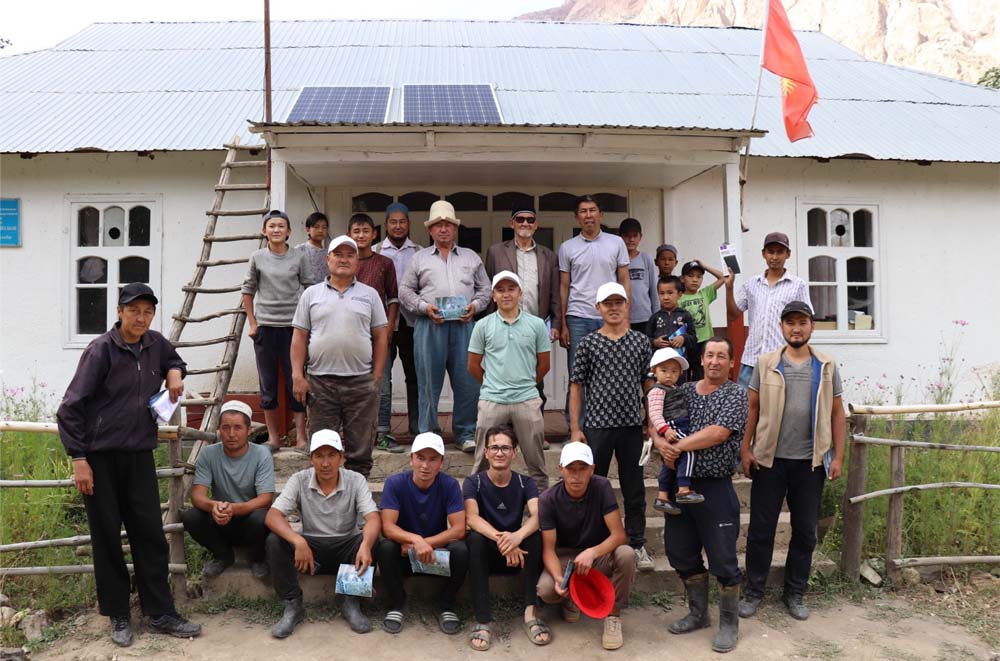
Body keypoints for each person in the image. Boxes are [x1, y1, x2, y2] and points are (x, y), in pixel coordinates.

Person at [57, 283, 201, 647]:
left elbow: (174, 360)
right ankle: (119, 614)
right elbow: (70, 408)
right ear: (119, 311)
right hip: (100, 459)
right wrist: (79, 459)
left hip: (138, 455)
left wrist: (174, 373)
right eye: (133, 310)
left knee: (150, 534)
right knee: (107, 537)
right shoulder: (100, 351)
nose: (141, 317)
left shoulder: (155, 344)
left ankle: (160, 612)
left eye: (147, 311)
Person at [739, 301, 846, 621]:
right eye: (790, 323)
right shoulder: (766, 363)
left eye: (802, 322)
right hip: (770, 462)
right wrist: (745, 449)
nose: (796, 328)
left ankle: (795, 592)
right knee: (761, 530)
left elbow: (837, 412)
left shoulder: (826, 365)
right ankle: (754, 590)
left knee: (805, 531)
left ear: (811, 326)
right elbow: (753, 409)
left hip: (810, 464)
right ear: (781, 327)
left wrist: (837, 456)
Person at [653, 337, 748, 654]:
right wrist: (660, 441)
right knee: (679, 551)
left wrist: (677, 446)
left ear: (731, 363)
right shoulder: (683, 390)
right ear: (702, 360)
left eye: (722, 356)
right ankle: (697, 613)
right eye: (710, 355)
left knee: (722, 556)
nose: (715, 361)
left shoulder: (735, 394)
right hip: (681, 487)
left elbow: (719, 433)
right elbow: (656, 417)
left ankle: (728, 624)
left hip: (714, 487)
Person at [568, 282, 654, 571]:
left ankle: (637, 544)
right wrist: (575, 429)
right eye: (608, 303)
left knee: (634, 488)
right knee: (595, 486)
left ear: (626, 305)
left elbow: (649, 384)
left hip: (632, 427)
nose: (614, 308)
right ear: (598, 308)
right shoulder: (588, 343)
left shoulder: (640, 342)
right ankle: (595, 543)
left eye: (619, 302)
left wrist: (651, 422)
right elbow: (576, 387)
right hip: (597, 427)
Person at [265, 429, 381, 638]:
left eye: (331, 455)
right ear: (311, 459)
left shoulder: (356, 480)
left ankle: (350, 599)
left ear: (341, 457)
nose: (325, 463)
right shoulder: (299, 479)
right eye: (319, 456)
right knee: (275, 540)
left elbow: (372, 517)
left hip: (346, 546)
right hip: (311, 550)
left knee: (373, 539)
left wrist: (365, 545)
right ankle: (293, 604)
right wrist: (297, 541)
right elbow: (272, 516)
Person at [290, 235, 389, 477]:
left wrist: (375, 376)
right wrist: (297, 376)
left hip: (360, 382)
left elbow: (381, 337)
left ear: (357, 261)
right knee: (323, 446)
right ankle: (322, 500)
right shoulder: (311, 294)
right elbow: (299, 338)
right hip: (321, 382)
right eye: (338, 254)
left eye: (349, 255)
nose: (344, 259)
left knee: (360, 448)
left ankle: (358, 498)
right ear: (328, 259)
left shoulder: (370, 294)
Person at [398, 200, 490, 452]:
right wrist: (423, 307)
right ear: (430, 230)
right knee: (428, 381)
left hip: (464, 326)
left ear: (455, 229)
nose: (443, 229)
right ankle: (429, 434)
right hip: (430, 326)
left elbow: (486, 289)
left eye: (448, 224)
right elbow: (404, 290)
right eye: (438, 225)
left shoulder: (471, 257)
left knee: (468, 380)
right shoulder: (419, 258)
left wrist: (475, 306)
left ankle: (465, 432)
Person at [536, 442, 636, 651]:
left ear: (592, 469)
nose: (576, 476)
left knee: (626, 554)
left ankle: (614, 615)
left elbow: (619, 535)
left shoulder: (602, 487)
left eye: (583, 469)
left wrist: (592, 552)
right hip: (566, 559)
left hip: (597, 555)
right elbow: (548, 549)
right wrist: (557, 578)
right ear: (561, 468)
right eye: (571, 469)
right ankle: (571, 598)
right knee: (545, 589)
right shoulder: (547, 499)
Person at [375, 432, 469, 635]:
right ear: (411, 459)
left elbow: (459, 529)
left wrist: (426, 544)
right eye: (420, 458)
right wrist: (416, 540)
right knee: (385, 546)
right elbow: (387, 526)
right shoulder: (395, 483)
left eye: (433, 459)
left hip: (434, 557)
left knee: (461, 549)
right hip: (404, 555)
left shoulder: (449, 485)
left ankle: (446, 604)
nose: (425, 465)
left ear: (441, 463)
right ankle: (398, 603)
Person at [464, 426, 548, 651]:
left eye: (505, 448)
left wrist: (517, 537)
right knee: (475, 539)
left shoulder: (525, 483)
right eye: (494, 447)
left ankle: (531, 612)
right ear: (486, 452)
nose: (499, 452)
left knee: (535, 537)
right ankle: (483, 620)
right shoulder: (474, 483)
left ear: (514, 452)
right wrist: (505, 541)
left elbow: (538, 515)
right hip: (486, 555)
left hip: (517, 556)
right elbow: (471, 518)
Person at [468, 271, 550, 490]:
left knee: (536, 462)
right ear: (493, 295)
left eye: (511, 289)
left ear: (520, 293)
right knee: (482, 460)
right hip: (492, 400)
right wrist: (492, 384)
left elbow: (544, 364)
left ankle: (541, 509)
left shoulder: (536, 325)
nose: (506, 295)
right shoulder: (482, 325)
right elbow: (473, 365)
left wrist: (527, 384)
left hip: (527, 400)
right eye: (500, 290)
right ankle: (476, 504)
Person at [557, 194, 630, 428]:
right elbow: (564, 285)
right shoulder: (567, 247)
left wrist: (625, 316)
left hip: (609, 317)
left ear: (600, 214)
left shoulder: (616, 243)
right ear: (577, 217)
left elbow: (624, 279)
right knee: (578, 375)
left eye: (592, 210)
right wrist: (564, 323)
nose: (588, 215)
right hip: (577, 317)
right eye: (583, 211)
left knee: (610, 372)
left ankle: (604, 423)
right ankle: (575, 427)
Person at [242, 209, 311, 451]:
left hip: (294, 329)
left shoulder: (299, 257)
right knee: (268, 384)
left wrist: (308, 322)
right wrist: (253, 323)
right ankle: (274, 438)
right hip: (265, 329)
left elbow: (310, 288)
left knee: (297, 382)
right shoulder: (257, 257)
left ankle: (301, 437)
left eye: (281, 226)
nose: (276, 230)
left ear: (289, 231)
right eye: (272, 226)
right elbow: (248, 291)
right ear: (264, 231)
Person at [181, 400, 275, 579]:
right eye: (226, 427)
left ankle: (257, 559)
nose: (231, 434)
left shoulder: (261, 454)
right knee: (190, 516)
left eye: (238, 428)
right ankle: (223, 556)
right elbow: (197, 496)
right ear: (219, 430)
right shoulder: (209, 454)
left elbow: (265, 499)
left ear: (249, 431)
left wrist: (235, 509)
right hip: (221, 518)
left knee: (261, 516)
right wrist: (215, 506)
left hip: (250, 520)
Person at [483, 204, 561, 409]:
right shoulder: (496, 252)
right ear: (512, 223)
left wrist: (556, 323)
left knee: (537, 378)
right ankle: (506, 435)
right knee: (502, 374)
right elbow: (488, 288)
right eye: (520, 219)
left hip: (535, 325)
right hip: (503, 324)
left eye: (530, 220)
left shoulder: (549, 255)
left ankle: (535, 430)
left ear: (536, 225)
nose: (525, 223)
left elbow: (554, 293)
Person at [726, 232, 812, 388]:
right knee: (745, 409)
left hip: (782, 361)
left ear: (788, 254)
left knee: (778, 409)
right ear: (763, 254)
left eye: (780, 252)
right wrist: (729, 288)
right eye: (771, 251)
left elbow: (807, 322)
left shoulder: (798, 285)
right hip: (752, 361)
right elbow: (733, 314)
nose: (775, 256)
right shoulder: (751, 284)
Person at [348, 213, 402, 453]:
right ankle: (354, 434)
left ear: (374, 234)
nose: (361, 235)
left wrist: (389, 326)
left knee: (382, 382)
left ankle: (382, 431)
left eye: (365, 231)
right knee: (351, 383)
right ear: (349, 234)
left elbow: (393, 298)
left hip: (378, 334)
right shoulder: (345, 262)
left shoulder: (384, 263)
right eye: (356, 231)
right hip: (349, 335)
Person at [376, 202, 422, 439]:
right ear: (386, 225)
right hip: (382, 324)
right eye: (393, 222)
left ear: (408, 224)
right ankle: (383, 427)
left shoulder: (419, 251)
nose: (397, 226)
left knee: (415, 376)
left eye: (402, 221)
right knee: (382, 376)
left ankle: (416, 426)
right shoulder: (376, 251)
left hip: (412, 323)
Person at [646, 348, 699, 514]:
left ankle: (662, 497)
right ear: (654, 371)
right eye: (664, 370)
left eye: (674, 371)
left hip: (679, 425)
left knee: (670, 463)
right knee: (688, 451)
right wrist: (665, 430)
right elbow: (654, 414)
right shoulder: (657, 390)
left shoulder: (676, 388)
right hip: (673, 425)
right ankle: (683, 489)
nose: (669, 375)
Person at [678, 259, 732, 381]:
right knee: (684, 374)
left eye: (699, 276)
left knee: (701, 374)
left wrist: (704, 266)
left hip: (704, 341)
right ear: (682, 278)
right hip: (686, 341)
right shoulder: (678, 297)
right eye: (690, 276)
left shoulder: (705, 294)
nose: (695, 279)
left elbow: (723, 277)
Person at [646, 275, 697, 370]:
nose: (665, 297)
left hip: (679, 362)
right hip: (660, 362)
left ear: (680, 294)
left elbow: (694, 339)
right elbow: (646, 339)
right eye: (661, 293)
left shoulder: (685, 315)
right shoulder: (654, 317)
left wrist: (683, 338)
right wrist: (655, 342)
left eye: (670, 293)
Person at [618, 217, 658, 334]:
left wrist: (656, 316)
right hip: (622, 317)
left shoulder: (646, 259)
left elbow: (654, 290)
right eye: (627, 236)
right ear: (620, 237)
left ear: (641, 236)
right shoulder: (616, 260)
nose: (631, 239)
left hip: (645, 317)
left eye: (635, 236)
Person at [294, 211, 330, 286]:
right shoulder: (299, 250)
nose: (320, 230)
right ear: (308, 229)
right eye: (316, 227)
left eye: (324, 227)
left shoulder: (329, 253)